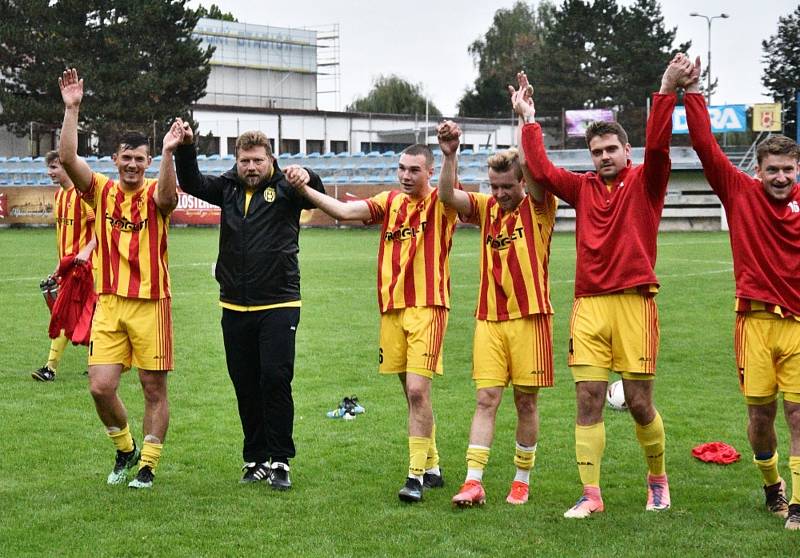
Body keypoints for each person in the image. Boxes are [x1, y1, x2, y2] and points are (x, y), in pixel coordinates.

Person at [518, 55, 692, 517]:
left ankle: (658, 480)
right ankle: (591, 494)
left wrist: (665, 87)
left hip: (635, 305)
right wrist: (528, 120)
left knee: (637, 403)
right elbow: (542, 170)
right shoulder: (583, 188)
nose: (603, 157)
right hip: (589, 306)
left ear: (626, 152)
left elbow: (659, 147)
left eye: (611, 149)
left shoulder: (647, 180)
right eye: (596, 152)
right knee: (588, 397)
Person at [289, 144, 457, 503]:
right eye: (402, 168)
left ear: (429, 172)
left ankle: (414, 478)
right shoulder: (390, 201)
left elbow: (448, 188)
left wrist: (451, 155)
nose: (406, 176)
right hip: (392, 308)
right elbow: (346, 210)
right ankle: (432, 465)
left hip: (428, 306)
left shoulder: (441, 203)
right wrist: (304, 191)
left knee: (417, 390)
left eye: (414, 170)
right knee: (410, 392)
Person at [684, 57, 800, 530]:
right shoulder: (739, 192)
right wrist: (691, 93)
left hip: (797, 325)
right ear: (757, 168)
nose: (780, 177)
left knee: (797, 413)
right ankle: (772, 485)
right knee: (760, 416)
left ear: (798, 169)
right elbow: (706, 147)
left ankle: (797, 505)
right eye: (772, 169)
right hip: (753, 324)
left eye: (788, 170)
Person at [174, 128, 326, 490]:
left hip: (280, 303)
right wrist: (187, 147)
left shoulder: (288, 188)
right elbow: (192, 181)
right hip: (234, 305)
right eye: (245, 161)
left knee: (274, 379)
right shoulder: (227, 187)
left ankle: (280, 460)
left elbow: (316, 195)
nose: (252, 167)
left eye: (258, 160)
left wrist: (308, 175)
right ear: (237, 162)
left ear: (270, 159)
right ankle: (255, 457)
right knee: (245, 384)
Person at [58, 68, 179, 489]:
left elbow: (167, 197)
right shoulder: (102, 191)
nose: (131, 164)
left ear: (146, 162)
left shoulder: (156, 192)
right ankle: (125, 447)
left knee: (152, 387)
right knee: (100, 387)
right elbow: (69, 159)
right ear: (115, 159)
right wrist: (72, 108)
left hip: (151, 303)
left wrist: (167, 153)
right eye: (125, 157)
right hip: (109, 302)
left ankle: (147, 464)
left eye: (139, 159)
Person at [436, 111, 557, 507]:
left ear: (522, 182)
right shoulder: (486, 207)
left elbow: (538, 171)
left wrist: (526, 120)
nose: (501, 194)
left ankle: (521, 479)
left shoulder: (539, 207)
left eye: (507, 186)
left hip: (531, 318)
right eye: (495, 186)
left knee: (526, 401)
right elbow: (446, 197)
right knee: (486, 399)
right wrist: (450, 155)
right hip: (489, 319)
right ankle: (474, 480)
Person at [31, 151, 96, 381]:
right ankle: (101, 362)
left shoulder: (82, 196)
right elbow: (63, 235)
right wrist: (59, 265)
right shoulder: (59, 196)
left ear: (68, 167)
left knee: (63, 314)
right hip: (68, 267)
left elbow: (100, 228)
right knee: (87, 317)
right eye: (49, 167)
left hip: (86, 268)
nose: (50, 172)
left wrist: (87, 253)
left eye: (55, 167)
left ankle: (50, 368)